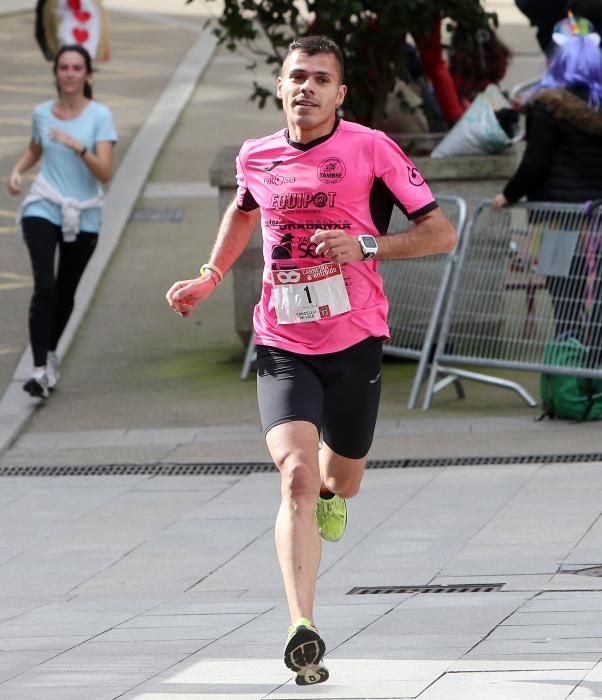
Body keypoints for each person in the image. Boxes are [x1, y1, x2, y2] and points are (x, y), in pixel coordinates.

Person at [166, 35, 456, 685]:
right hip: (282, 343)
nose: (307, 88)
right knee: (293, 473)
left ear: (340, 93)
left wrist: (368, 247)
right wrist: (210, 276)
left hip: (355, 339)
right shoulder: (256, 156)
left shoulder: (370, 149)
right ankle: (303, 626)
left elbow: (441, 232)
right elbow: (244, 213)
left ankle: (334, 491)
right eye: (297, 76)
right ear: (280, 85)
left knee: (338, 479)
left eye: (321, 79)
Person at [8, 44, 117, 398]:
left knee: (66, 292)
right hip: (44, 203)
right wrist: (18, 170)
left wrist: (77, 146)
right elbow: (37, 147)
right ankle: (38, 368)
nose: (69, 74)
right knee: (45, 287)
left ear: (87, 75)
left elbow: (104, 172)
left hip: (84, 213)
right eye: (63, 67)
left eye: (76, 68)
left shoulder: (100, 116)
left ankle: (50, 353)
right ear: (56, 73)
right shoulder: (42, 113)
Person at [492, 29, 602, 366]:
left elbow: (535, 164)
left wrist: (507, 195)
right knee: (596, 300)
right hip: (598, 220)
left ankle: (570, 371)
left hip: (558, 220)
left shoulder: (547, 107)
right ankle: (595, 371)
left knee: (564, 298)